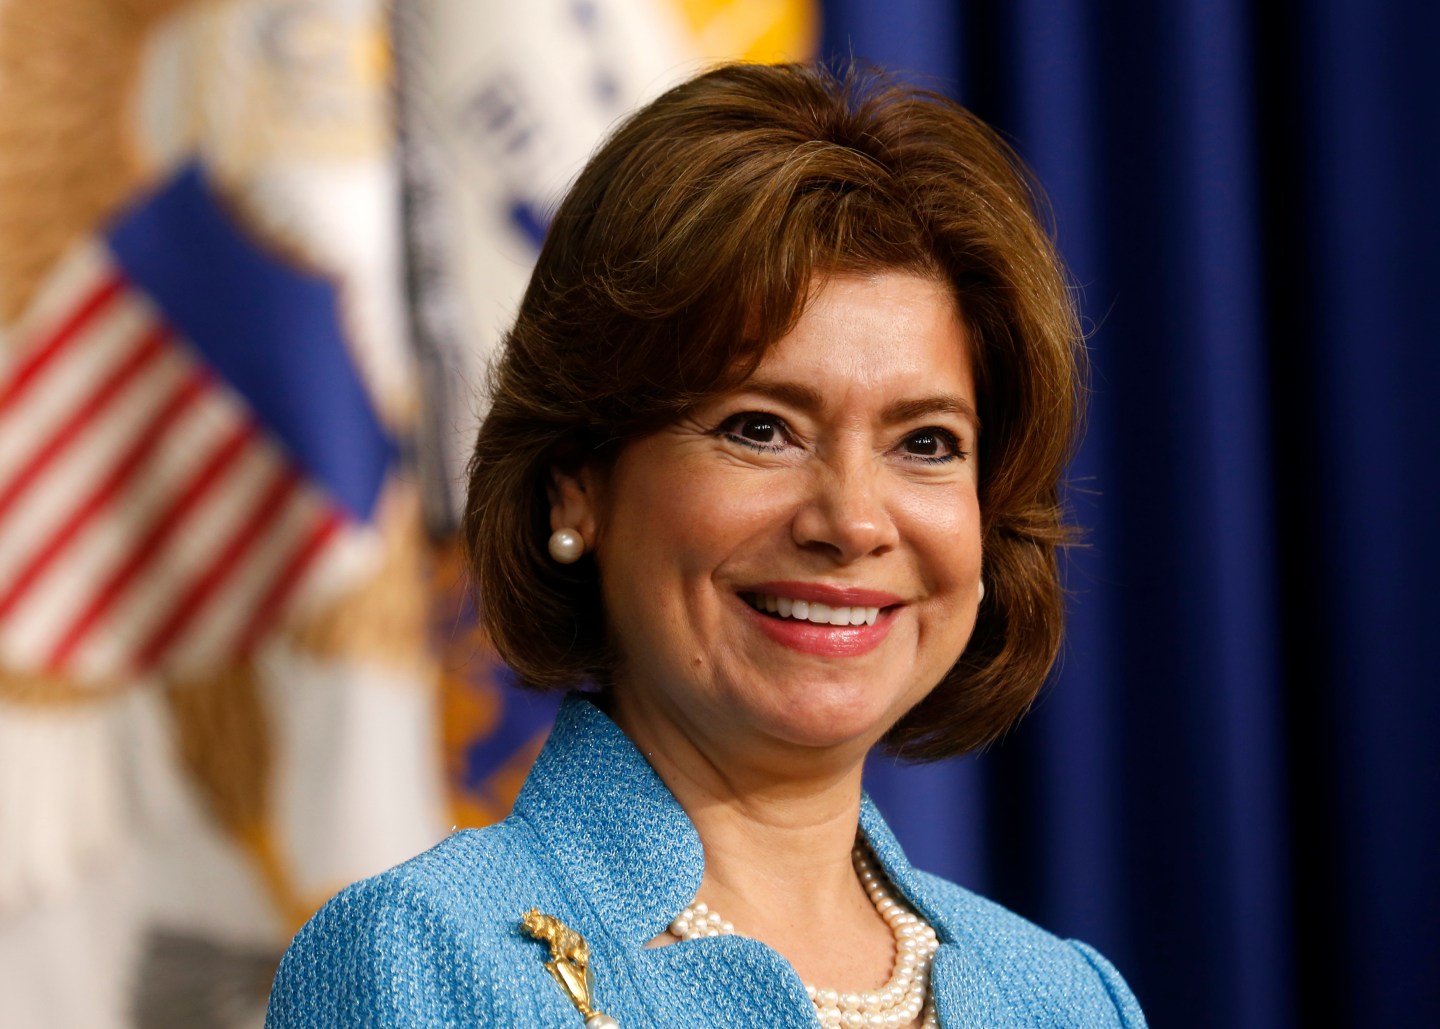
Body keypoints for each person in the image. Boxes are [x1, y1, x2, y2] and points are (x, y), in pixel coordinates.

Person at [266, 62, 1146, 1028]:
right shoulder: (424, 960)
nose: (852, 522)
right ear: (580, 481)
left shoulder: (1068, 999)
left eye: (926, 443)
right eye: (759, 427)